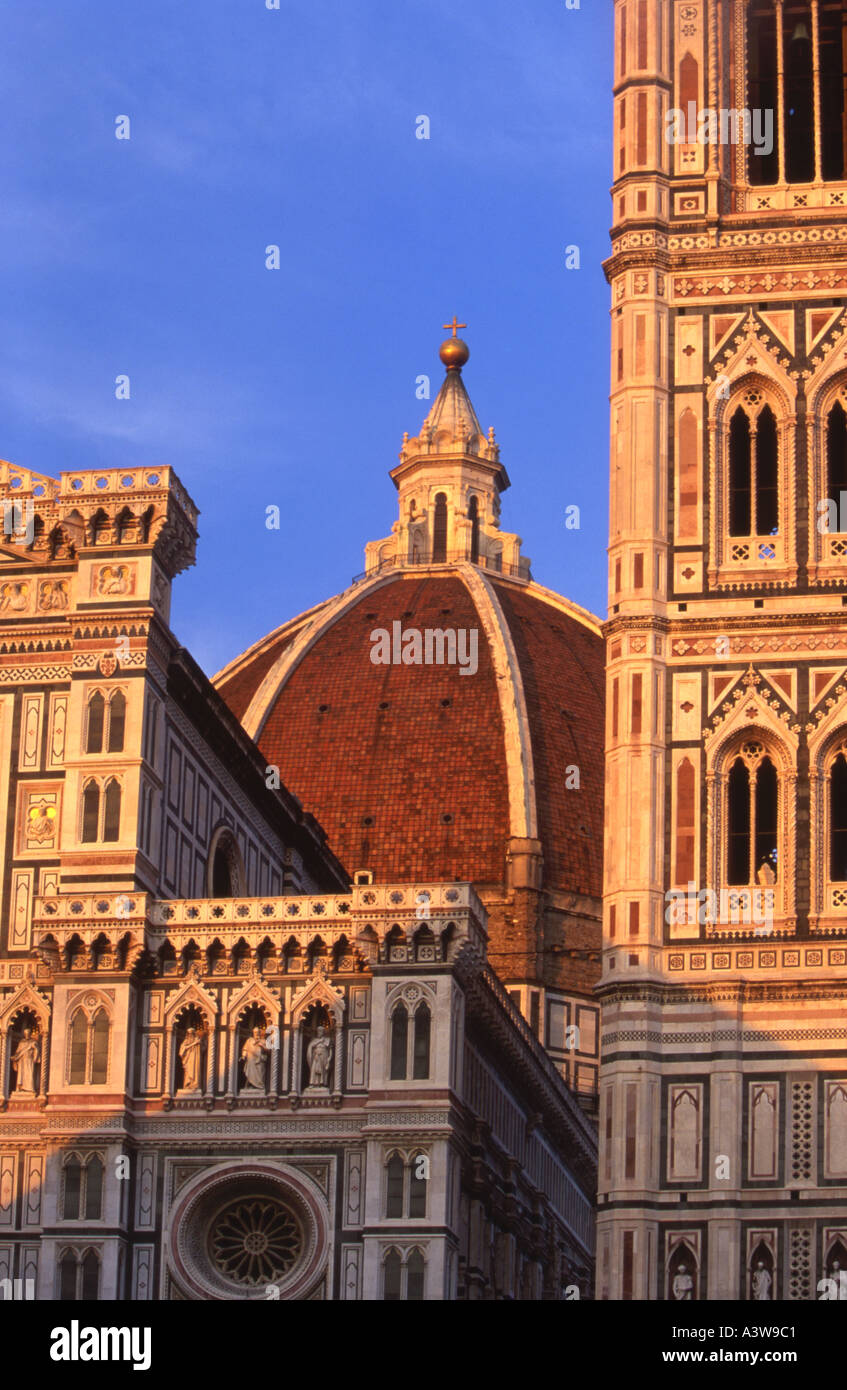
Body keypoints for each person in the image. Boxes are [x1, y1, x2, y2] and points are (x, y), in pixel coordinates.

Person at [11, 1027, 39, 1092]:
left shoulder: (33, 1042)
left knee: (29, 1073)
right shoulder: (21, 1042)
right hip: (22, 1060)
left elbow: (37, 1050)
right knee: (21, 1075)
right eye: (25, 1033)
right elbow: (18, 1052)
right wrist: (15, 1058)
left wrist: (35, 1057)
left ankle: (29, 1088)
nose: (27, 1034)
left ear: (30, 1033)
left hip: (29, 1059)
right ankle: (20, 1087)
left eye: (28, 1033)